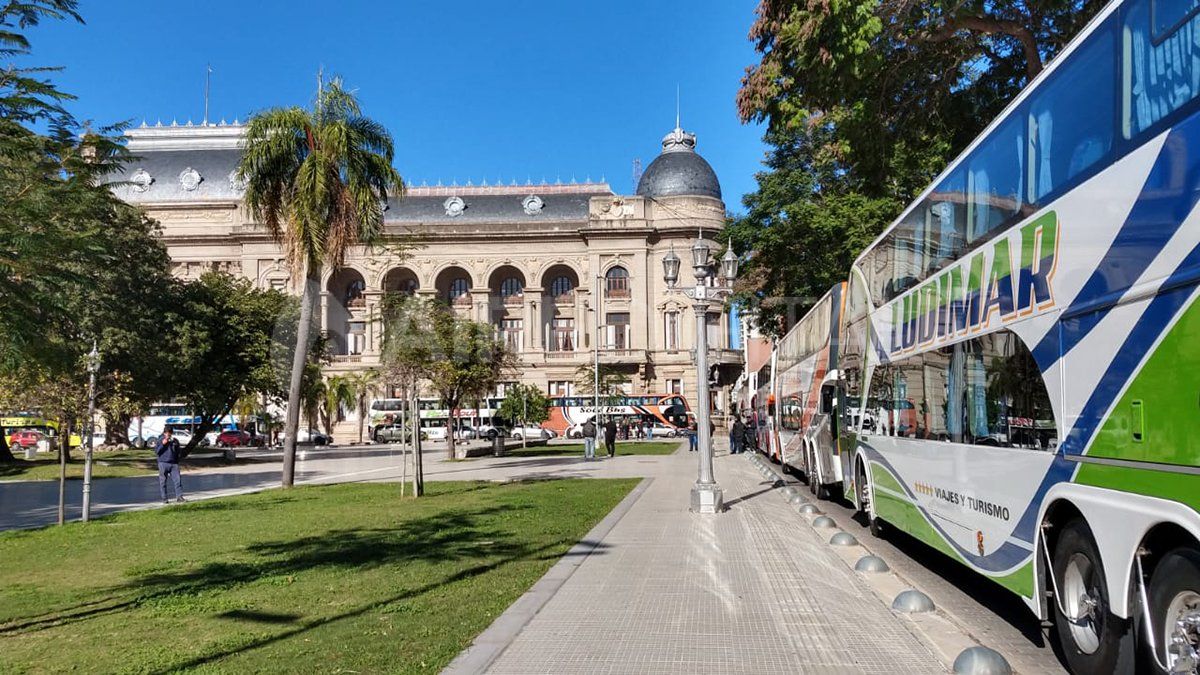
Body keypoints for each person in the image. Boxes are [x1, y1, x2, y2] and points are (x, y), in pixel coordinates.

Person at [154, 428, 185, 504]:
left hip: (174, 464)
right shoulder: (160, 440)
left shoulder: (174, 441)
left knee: (178, 481)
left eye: (170, 433)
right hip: (163, 463)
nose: (168, 434)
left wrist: (177, 461)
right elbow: (157, 452)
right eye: (167, 433)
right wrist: (163, 444)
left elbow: (178, 451)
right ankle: (164, 499)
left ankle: (179, 497)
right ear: (164, 433)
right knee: (163, 482)